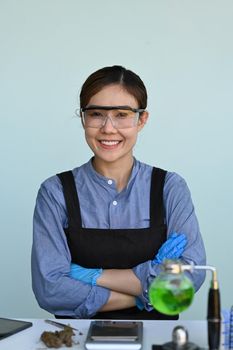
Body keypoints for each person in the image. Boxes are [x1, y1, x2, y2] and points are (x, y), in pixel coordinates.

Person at [31, 65, 206, 320]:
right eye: (96, 114)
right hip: (77, 340)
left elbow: (191, 276)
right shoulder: (54, 192)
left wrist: (93, 276)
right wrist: (148, 290)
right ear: (83, 118)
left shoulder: (170, 187)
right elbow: (51, 289)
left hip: (157, 339)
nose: (108, 128)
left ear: (141, 119)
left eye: (122, 114)